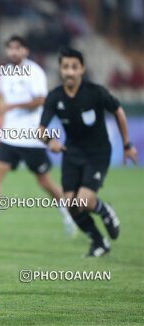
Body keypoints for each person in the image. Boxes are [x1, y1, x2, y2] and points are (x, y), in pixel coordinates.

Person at [0, 35, 76, 237]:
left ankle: (69, 215)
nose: (13, 52)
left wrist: (13, 106)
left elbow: (40, 100)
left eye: (17, 48)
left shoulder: (34, 72)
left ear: (25, 51)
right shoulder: (4, 73)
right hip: (9, 137)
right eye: (10, 48)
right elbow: (0, 99)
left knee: (45, 181)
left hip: (31, 137)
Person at [39, 47, 138, 257]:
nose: (70, 72)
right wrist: (50, 142)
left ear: (82, 69)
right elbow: (41, 130)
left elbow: (118, 110)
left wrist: (127, 145)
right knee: (71, 205)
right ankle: (99, 241)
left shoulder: (95, 92)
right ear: (60, 69)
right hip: (71, 153)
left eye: (74, 67)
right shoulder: (55, 97)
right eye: (66, 67)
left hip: (97, 153)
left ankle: (104, 209)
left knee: (83, 200)